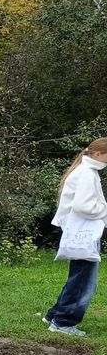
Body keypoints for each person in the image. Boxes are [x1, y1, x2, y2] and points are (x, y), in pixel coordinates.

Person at [43, 138, 107, 336]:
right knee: (84, 282)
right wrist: (104, 211)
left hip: (78, 231)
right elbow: (83, 206)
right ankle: (63, 323)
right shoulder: (88, 173)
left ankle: (54, 315)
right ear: (97, 154)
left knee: (78, 276)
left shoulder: (84, 170)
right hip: (83, 233)